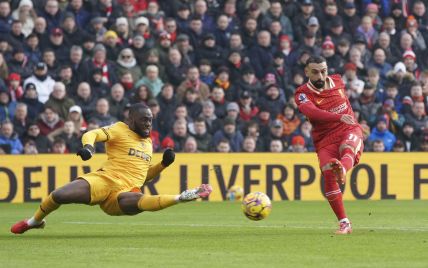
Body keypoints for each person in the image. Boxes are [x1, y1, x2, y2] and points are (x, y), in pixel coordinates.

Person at [11, 103, 212, 234]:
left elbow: (143, 177)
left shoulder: (148, 143)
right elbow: (92, 134)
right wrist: (88, 147)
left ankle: (182, 197)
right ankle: (34, 221)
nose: (149, 124)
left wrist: (162, 165)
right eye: (145, 120)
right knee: (60, 195)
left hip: (124, 192)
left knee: (137, 199)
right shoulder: (119, 129)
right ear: (131, 119)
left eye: (150, 120)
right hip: (105, 180)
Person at [294, 56, 364, 235]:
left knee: (347, 147)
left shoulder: (338, 81)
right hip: (325, 138)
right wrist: (337, 116)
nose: (321, 76)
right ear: (307, 72)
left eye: (323, 71)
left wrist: (342, 119)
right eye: (315, 72)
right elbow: (312, 112)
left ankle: (343, 169)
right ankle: (344, 223)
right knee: (328, 173)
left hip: (348, 128)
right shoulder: (302, 93)